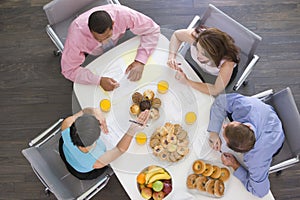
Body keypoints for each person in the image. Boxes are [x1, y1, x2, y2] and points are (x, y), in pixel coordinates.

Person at [61, 4, 160, 91]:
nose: (105, 42)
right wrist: (98, 81)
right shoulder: (76, 37)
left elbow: (153, 30)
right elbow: (68, 70)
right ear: (90, 30)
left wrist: (140, 61)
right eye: (99, 39)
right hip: (95, 56)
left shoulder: (123, 15)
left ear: (113, 23)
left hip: (119, 48)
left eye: (108, 36)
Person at [207, 93, 284, 197]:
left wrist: (235, 165)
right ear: (242, 124)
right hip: (267, 115)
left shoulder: (256, 160)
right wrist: (214, 132)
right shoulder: (245, 106)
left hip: (275, 137)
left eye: (224, 128)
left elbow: (260, 192)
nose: (224, 126)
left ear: (236, 151)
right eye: (227, 126)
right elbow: (221, 100)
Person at [59, 107, 149, 180]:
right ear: (97, 137)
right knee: (109, 164)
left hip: (65, 152)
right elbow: (119, 149)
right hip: (81, 172)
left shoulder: (67, 123)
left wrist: (94, 111)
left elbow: (83, 111)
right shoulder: (97, 160)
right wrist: (132, 130)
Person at [167, 26, 240, 96]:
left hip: (216, 75)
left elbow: (216, 90)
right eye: (197, 48)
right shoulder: (198, 37)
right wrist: (171, 56)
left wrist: (187, 82)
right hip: (199, 67)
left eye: (204, 54)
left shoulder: (227, 62)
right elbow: (177, 35)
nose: (198, 56)